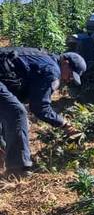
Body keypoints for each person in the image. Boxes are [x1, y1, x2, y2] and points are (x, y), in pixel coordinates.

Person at [0, 48, 87, 179]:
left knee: (10, 110)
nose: (69, 79)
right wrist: (65, 124)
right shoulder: (52, 70)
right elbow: (40, 107)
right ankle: (18, 169)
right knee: (17, 112)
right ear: (65, 62)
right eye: (70, 74)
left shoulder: (43, 58)